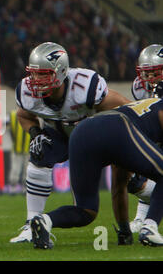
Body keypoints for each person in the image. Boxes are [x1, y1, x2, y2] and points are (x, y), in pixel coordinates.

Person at [10, 42, 131, 243]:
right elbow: (24, 116)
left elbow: (127, 108)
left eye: (44, 74)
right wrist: (35, 133)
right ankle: (31, 223)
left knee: (125, 187)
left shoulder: (84, 87)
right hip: (59, 135)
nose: (36, 80)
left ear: (61, 71)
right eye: (34, 74)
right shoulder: (27, 92)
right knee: (39, 152)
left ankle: (147, 223)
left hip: (92, 140)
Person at [31, 97, 163, 249]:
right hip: (117, 125)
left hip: (81, 131)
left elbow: (118, 187)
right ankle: (150, 228)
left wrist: (124, 232)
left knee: (86, 210)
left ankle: (45, 220)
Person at [127, 44, 163, 233]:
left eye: (154, 72)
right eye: (146, 73)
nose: (149, 79)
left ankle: (146, 219)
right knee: (138, 175)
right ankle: (141, 217)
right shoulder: (139, 87)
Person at [8, 109, 30, 194]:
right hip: (20, 148)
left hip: (24, 148)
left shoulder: (13, 114)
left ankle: (17, 188)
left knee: (20, 169)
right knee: (19, 169)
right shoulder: (14, 114)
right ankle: (15, 188)